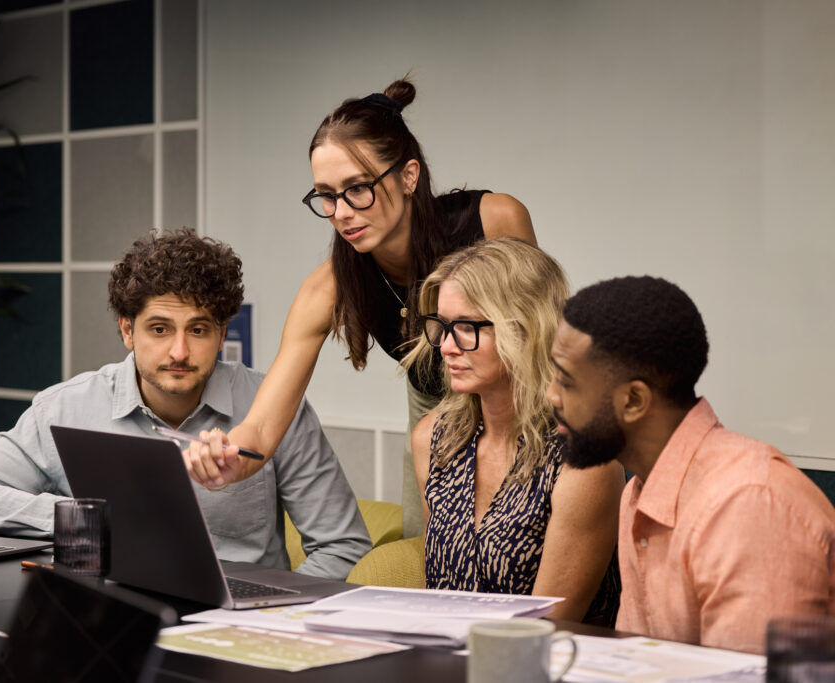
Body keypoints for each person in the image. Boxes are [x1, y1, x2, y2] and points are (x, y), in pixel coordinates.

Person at [185, 78, 536, 538]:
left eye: (357, 188)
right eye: (326, 196)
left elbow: (542, 346)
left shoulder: (494, 219)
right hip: (434, 411)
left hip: (520, 401)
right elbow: (264, 425)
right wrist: (228, 458)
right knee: (430, 554)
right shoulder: (330, 285)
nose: (342, 212)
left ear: (408, 175)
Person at [0, 228, 371, 580]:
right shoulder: (64, 408)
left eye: (198, 329)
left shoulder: (275, 408)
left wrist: (278, 617)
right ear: (126, 331)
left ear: (222, 333)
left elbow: (344, 547)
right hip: (107, 619)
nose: (179, 351)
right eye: (159, 328)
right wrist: (81, 520)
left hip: (232, 629)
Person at [545, 275, 835, 652]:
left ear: (634, 401)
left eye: (566, 382)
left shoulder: (748, 504)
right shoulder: (639, 490)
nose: (551, 394)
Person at [404, 239, 623, 625]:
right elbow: (433, 598)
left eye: (467, 327)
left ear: (526, 329)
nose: (446, 347)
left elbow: (544, 630)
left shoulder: (585, 462)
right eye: (441, 326)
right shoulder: (432, 438)